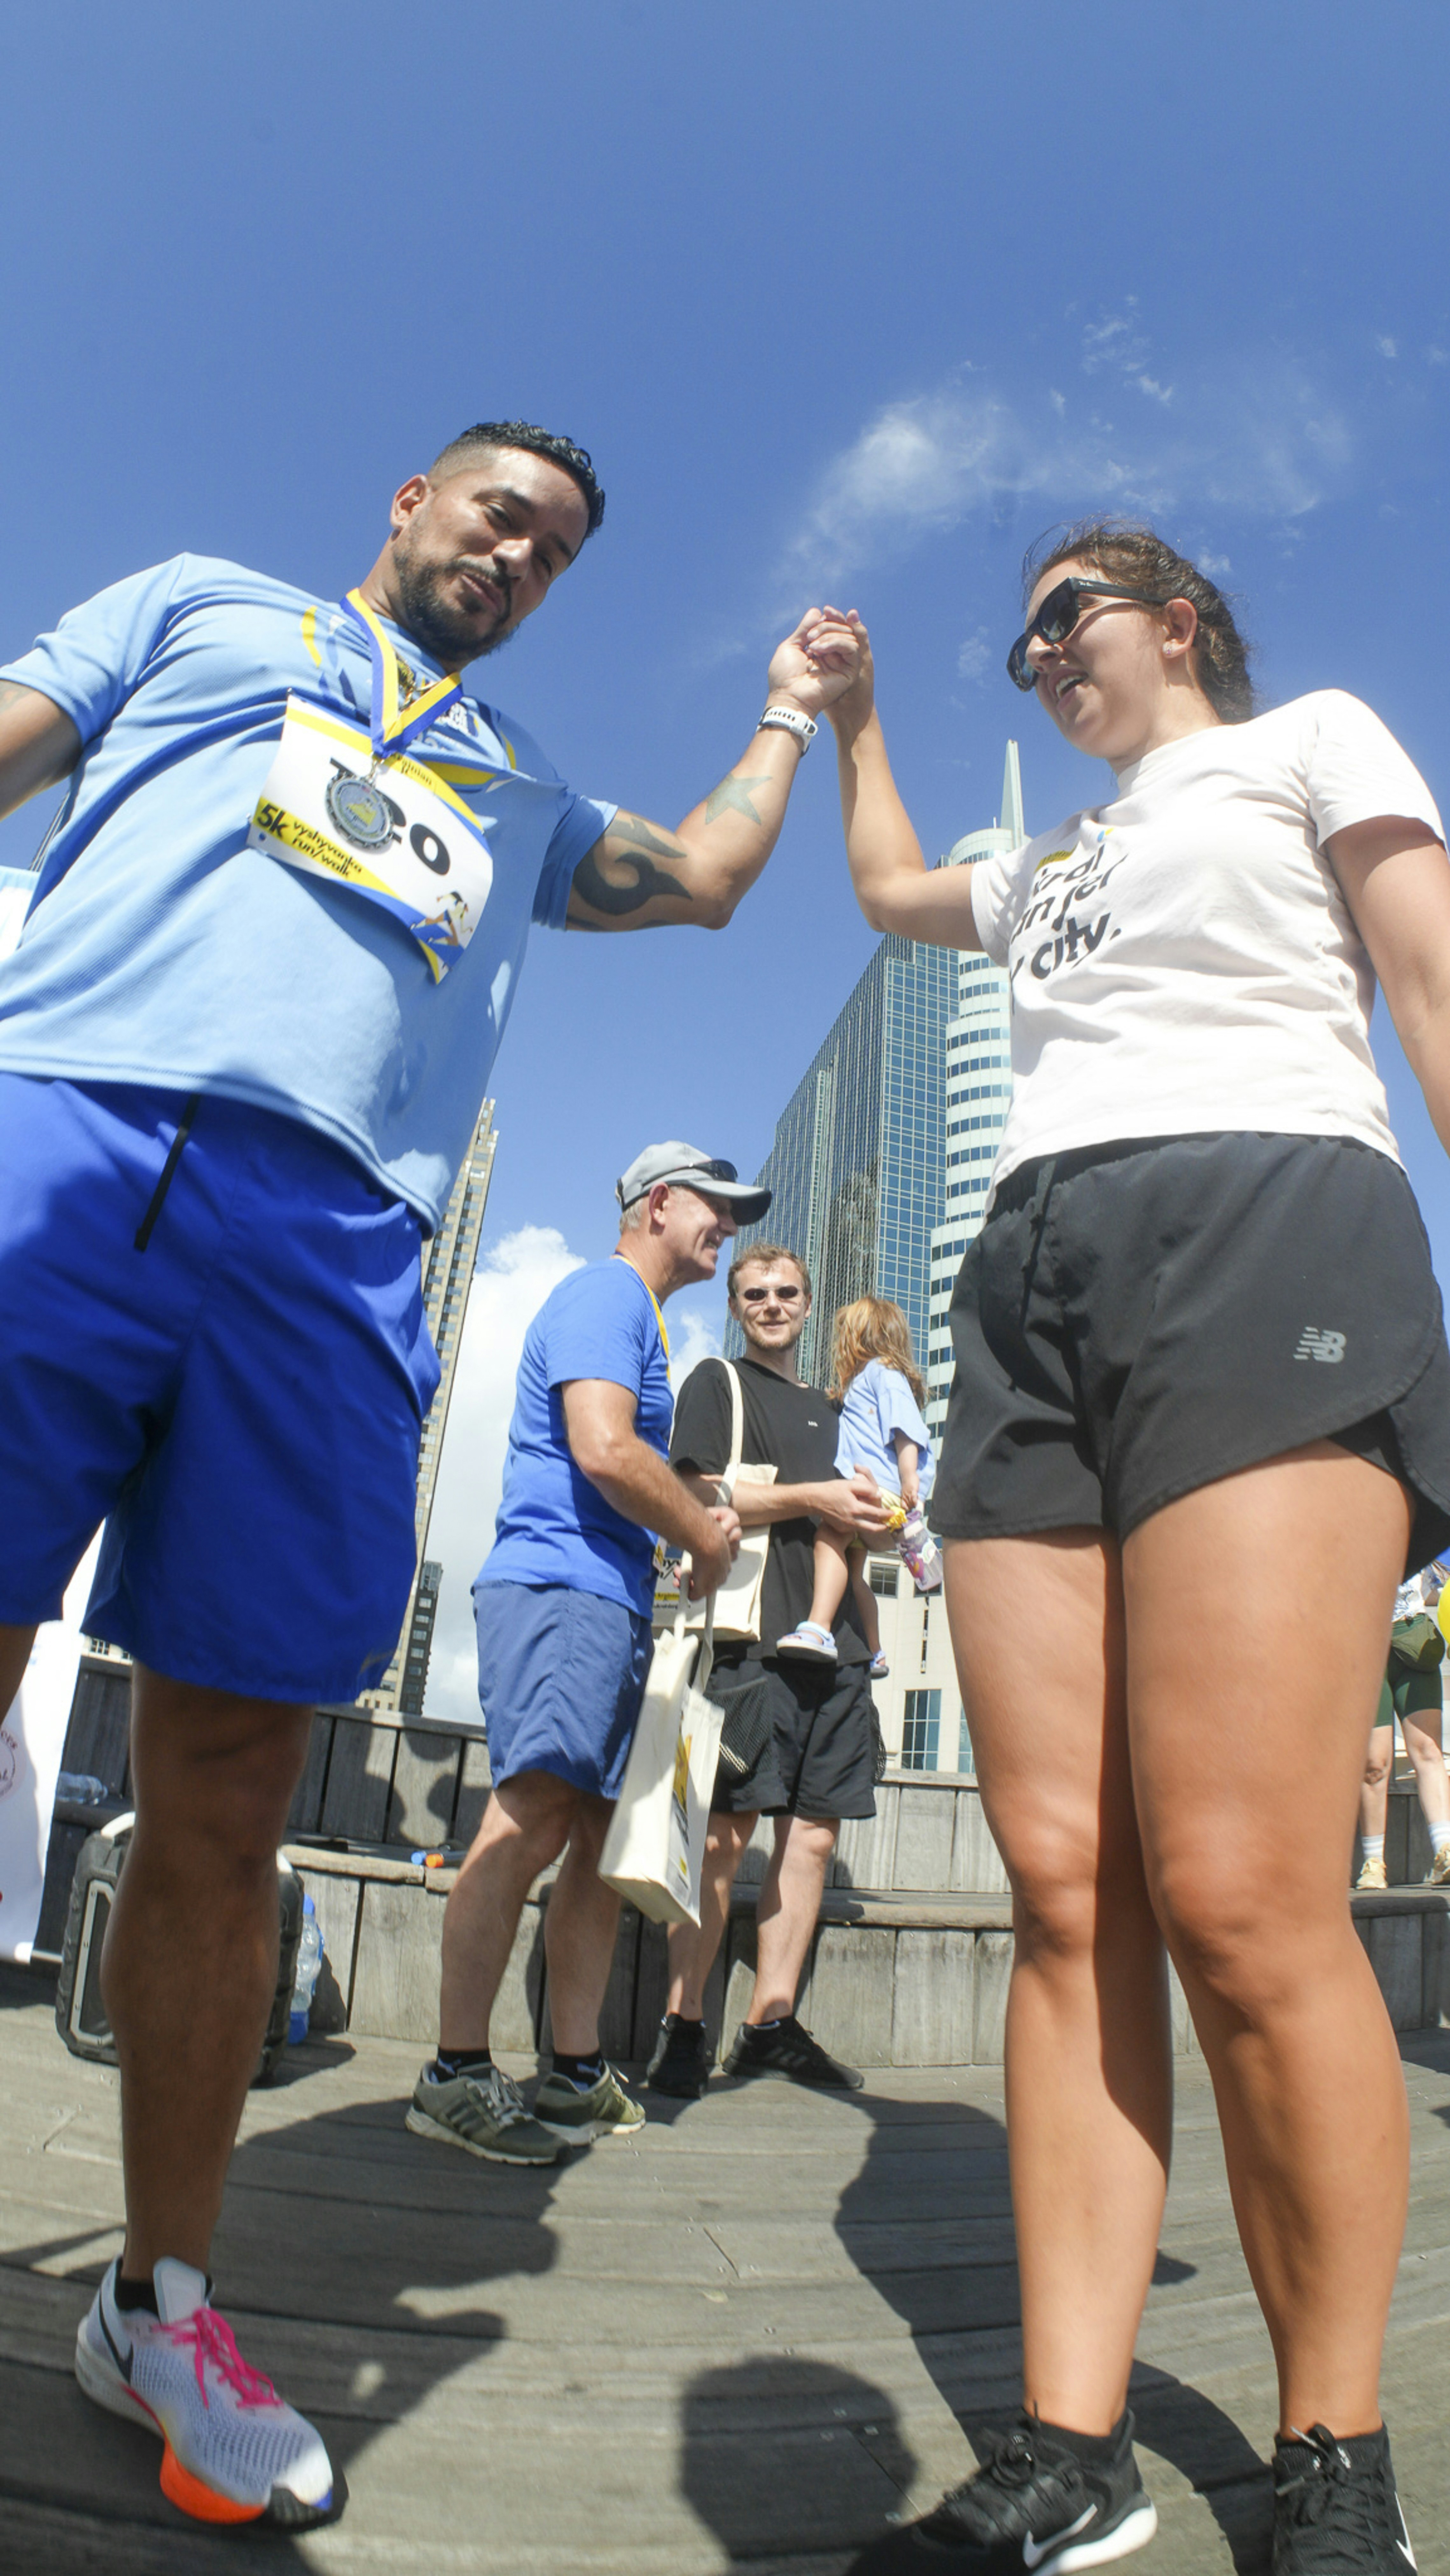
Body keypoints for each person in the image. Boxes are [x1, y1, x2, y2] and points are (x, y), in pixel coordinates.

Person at [0, 422, 863, 2529]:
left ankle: (164, 2293)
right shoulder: (202, 604)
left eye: (556, 547)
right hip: (69, 1125)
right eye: (497, 508)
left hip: (333, 1258)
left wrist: (784, 714)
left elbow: (715, 876)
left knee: (223, 1787)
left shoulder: (523, 783)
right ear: (403, 497)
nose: (519, 549)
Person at [816, 523, 1450, 2575]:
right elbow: (894, 893)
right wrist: (852, 728)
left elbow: (1427, 980)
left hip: (1262, 1216)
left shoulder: (1305, 743)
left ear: (1169, 624)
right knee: (1067, 1891)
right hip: (1026, 1284)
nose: (1038, 659)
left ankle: (1329, 2448)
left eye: (1061, 622)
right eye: (1014, 651)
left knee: (1243, 1889)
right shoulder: (1043, 866)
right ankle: (1068, 2444)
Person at [408, 1144, 761, 2162]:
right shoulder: (605, 1292)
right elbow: (603, 1448)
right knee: (530, 1817)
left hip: (603, 1597)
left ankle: (569, 2070)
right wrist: (701, 1529)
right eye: (716, 1206)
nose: (728, 1225)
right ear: (657, 1203)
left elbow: (613, 1466)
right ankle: (455, 2072)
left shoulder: (636, 1314)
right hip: (558, 1590)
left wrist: (680, 1534)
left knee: (599, 1842)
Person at [646, 1245, 891, 2100]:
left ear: (808, 1302)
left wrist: (880, 1515)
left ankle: (769, 2024)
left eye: (786, 1293)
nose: (772, 1305)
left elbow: (877, 1519)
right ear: (735, 1304)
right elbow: (697, 1497)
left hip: (837, 1655)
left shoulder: (840, 1408)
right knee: (720, 1841)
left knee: (813, 1837)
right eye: (755, 1294)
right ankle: (682, 2026)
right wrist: (811, 1499)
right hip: (747, 1645)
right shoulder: (718, 1385)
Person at [776, 1294, 938, 1673]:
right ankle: (876, 1651)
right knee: (853, 1573)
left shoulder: (882, 1372)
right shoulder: (873, 1378)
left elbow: (905, 1431)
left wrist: (909, 1477)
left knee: (829, 1535)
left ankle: (817, 1628)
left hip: (877, 1491)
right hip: (881, 1496)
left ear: (863, 1336)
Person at [1356, 1561, 1450, 1889]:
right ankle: (1373, 1862)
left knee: (1428, 1750)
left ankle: (1445, 1851)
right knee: (1374, 1763)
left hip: (1414, 1641)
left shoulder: (1426, 1536)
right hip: (1365, 1645)